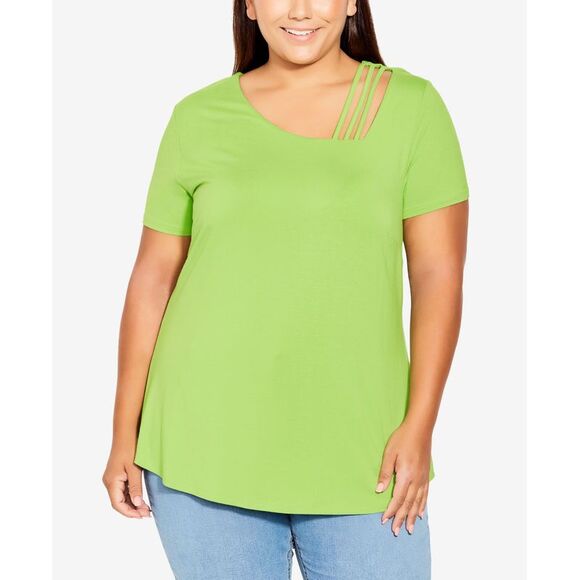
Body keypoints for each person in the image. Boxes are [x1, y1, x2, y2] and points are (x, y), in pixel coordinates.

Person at [102, 1, 470, 578]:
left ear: (351, 2)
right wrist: (123, 433)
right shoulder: (198, 116)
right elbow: (152, 279)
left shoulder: (410, 107)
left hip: (365, 448)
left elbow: (438, 277)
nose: (300, 10)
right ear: (249, 5)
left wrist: (420, 425)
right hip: (205, 437)